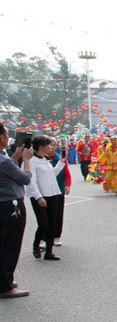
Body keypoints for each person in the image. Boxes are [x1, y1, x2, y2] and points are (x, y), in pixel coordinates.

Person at [0, 123, 33, 298]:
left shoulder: (5, 160)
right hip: (9, 205)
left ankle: (4, 279)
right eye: (6, 135)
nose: (8, 138)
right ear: (1, 138)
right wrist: (26, 160)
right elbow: (25, 178)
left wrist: (14, 157)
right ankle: (4, 286)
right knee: (10, 246)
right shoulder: (4, 161)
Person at [28, 136, 65, 260]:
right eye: (49, 145)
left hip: (52, 194)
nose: (51, 147)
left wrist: (61, 162)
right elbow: (32, 181)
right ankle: (36, 245)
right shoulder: (32, 161)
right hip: (40, 196)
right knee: (43, 224)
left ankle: (49, 252)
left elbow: (52, 174)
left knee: (52, 224)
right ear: (41, 147)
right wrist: (39, 197)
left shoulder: (45, 160)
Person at [49, 144, 71, 247]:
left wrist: (67, 185)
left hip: (58, 190)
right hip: (46, 191)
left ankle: (56, 236)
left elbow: (67, 173)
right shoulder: (42, 160)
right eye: (49, 145)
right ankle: (45, 238)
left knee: (58, 214)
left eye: (53, 145)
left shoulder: (60, 159)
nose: (51, 147)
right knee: (46, 216)